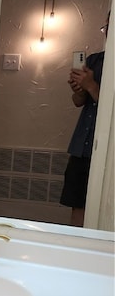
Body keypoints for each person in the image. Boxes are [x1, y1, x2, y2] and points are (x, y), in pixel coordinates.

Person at [60, 15, 109, 227]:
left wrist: (91, 86)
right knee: (77, 203)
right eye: (107, 25)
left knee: (105, 208)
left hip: (108, 152)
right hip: (82, 147)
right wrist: (79, 89)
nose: (108, 30)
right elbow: (78, 102)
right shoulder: (95, 61)